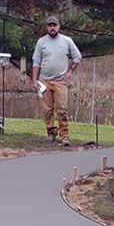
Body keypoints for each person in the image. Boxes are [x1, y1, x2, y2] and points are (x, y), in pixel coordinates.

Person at [32, 15, 81, 146]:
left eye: (54, 25)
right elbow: (36, 62)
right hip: (44, 81)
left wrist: (70, 71)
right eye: (50, 25)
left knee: (62, 109)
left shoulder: (67, 41)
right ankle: (50, 132)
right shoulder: (41, 42)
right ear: (47, 27)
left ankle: (64, 136)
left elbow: (77, 56)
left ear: (59, 26)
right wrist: (35, 79)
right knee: (47, 110)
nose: (52, 28)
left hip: (60, 81)